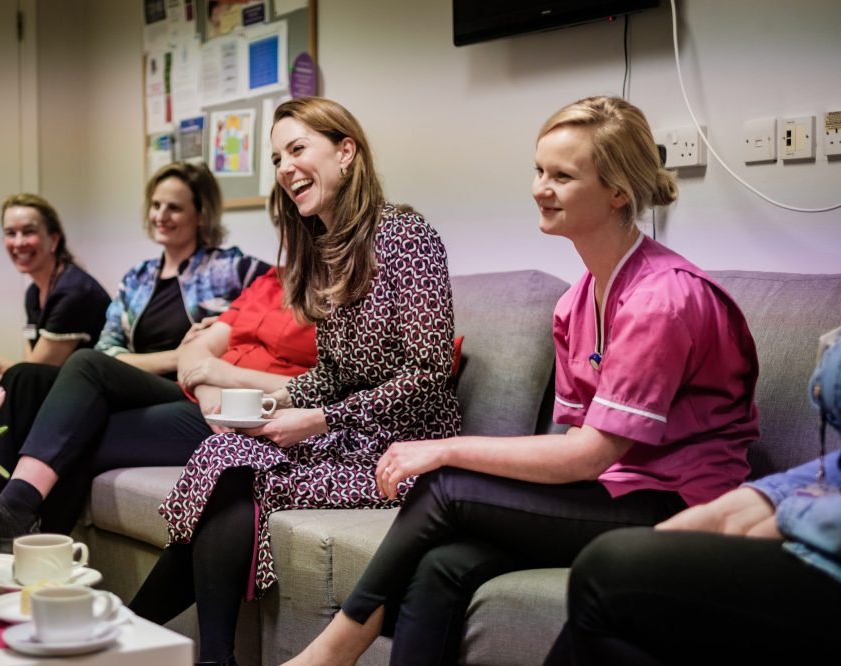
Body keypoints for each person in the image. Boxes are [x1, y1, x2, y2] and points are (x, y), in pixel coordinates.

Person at [285, 96, 761, 666]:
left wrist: (444, 450)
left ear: (617, 192)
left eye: (562, 176)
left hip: (681, 507)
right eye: (539, 170)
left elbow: (590, 455)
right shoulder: (576, 303)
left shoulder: (662, 299)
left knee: (444, 486)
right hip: (613, 490)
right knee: (443, 565)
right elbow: (578, 446)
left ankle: (332, 650)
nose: (540, 188)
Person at [126, 96, 461, 666]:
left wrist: (322, 419)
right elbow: (334, 373)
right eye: (277, 158)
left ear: (346, 152)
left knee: (234, 472)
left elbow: (430, 373)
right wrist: (272, 402)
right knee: (225, 450)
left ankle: (129, 633)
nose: (285, 168)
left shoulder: (405, 234)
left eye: (297, 149)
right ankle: (179, 648)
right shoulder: (328, 249)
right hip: (351, 437)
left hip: (404, 450)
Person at [0, 267, 315, 547]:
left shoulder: (330, 292)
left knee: (79, 426)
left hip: (245, 412)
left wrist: (222, 375)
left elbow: (328, 385)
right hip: (198, 393)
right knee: (32, 376)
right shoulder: (270, 279)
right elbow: (195, 349)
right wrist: (205, 384)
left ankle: (23, 528)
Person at [544, 335, 841, 665]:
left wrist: (793, 513)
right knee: (611, 601)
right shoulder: (572, 312)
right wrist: (770, 496)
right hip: (628, 484)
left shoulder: (664, 311)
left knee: (609, 570)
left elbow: (587, 456)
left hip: (671, 494)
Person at [0, 162, 271, 486]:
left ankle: (15, 502)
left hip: (189, 389)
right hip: (137, 385)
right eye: (156, 205)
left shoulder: (230, 268)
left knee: (85, 365)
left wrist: (206, 358)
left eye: (174, 208)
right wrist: (176, 357)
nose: (161, 215)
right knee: (24, 377)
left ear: (200, 215)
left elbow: (283, 292)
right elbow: (108, 350)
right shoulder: (138, 277)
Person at [0, 194, 110, 411]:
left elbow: (32, 376)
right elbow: (28, 369)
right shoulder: (34, 293)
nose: (19, 243)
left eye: (29, 231)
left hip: (96, 402)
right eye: (10, 233)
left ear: (54, 239)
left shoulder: (73, 293)